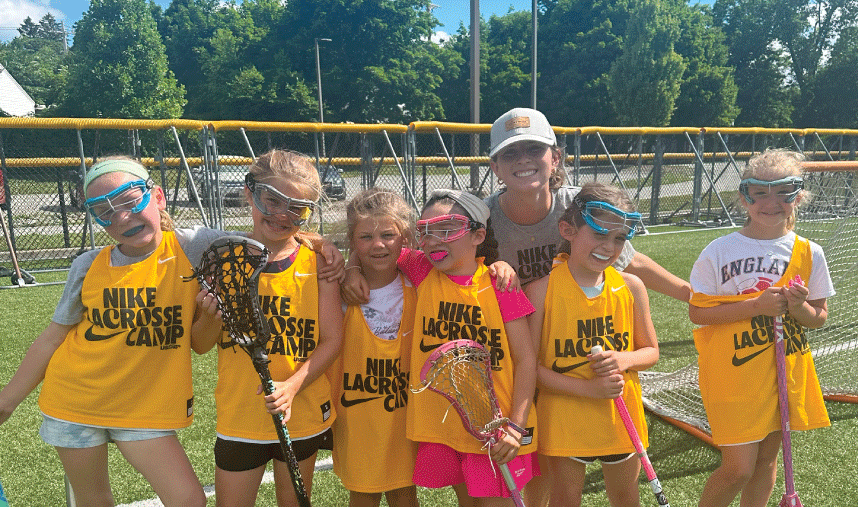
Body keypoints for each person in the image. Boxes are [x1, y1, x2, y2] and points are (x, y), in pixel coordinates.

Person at [0, 157, 221, 506]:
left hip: (144, 406)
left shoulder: (194, 245)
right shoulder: (88, 265)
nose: (121, 218)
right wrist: (6, 402)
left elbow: (199, 343)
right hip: (75, 400)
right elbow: (52, 338)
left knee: (188, 501)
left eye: (130, 201)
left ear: (158, 197)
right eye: (103, 212)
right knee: (95, 501)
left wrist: (312, 241)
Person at [194, 149, 344, 507]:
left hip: (303, 410)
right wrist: (210, 317)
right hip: (240, 414)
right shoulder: (223, 260)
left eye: (297, 208)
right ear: (249, 193)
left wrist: (292, 387)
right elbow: (199, 344)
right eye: (272, 200)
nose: (281, 215)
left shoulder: (318, 263)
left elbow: (331, 340)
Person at [690, 149, 832, 507]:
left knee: (766, 461)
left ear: (798, 196)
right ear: (744, 197)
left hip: (782, 374)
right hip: (732, 376)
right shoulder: (719, 250)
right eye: (759, 193)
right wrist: (756, 306)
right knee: (738, 469)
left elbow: (819, 317)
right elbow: (698, 312)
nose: (771, 203)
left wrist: (798, 307)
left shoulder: (810, 252)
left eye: (783, 192)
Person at [525, 182, 660, 507]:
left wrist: (624, 360)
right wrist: (589, 389)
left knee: (626, 498)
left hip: (620, 416)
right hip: (565, 418)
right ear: (568, 230)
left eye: (619, 238)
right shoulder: (541, 290)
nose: (609, 247)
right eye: (600, 234)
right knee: (565, 499)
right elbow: (530, 370)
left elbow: (651, 352)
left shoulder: (631, 286)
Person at [400, 189, 538, 507]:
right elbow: (375, 246)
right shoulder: (424, 270)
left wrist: (516, 427)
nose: (433, 241)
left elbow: (526, 360)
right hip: (448, 427)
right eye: (425, 231)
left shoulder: (501, 284)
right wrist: (345, 262)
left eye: (447, 229)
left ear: (478, 235)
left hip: (500, 427)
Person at [485, 107, 690, 300]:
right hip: (510, 323)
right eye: (510, 152)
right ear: (495, 168)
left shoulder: (580, 204)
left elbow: (631, 262)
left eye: (534, 149)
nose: (523, 159)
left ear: (555, 158)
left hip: (576, 318)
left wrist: (693, 296)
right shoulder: (481, 217)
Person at [330, 188, 419, 507]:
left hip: (405, 419)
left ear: (404, 237)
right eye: (365, 237)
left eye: (387, 235)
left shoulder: (419, 284)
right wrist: (350, 269)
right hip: (357, 420)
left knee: (405, 495)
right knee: (363, 495)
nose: (378, 245)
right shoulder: (337, 292)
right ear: (352, 241)